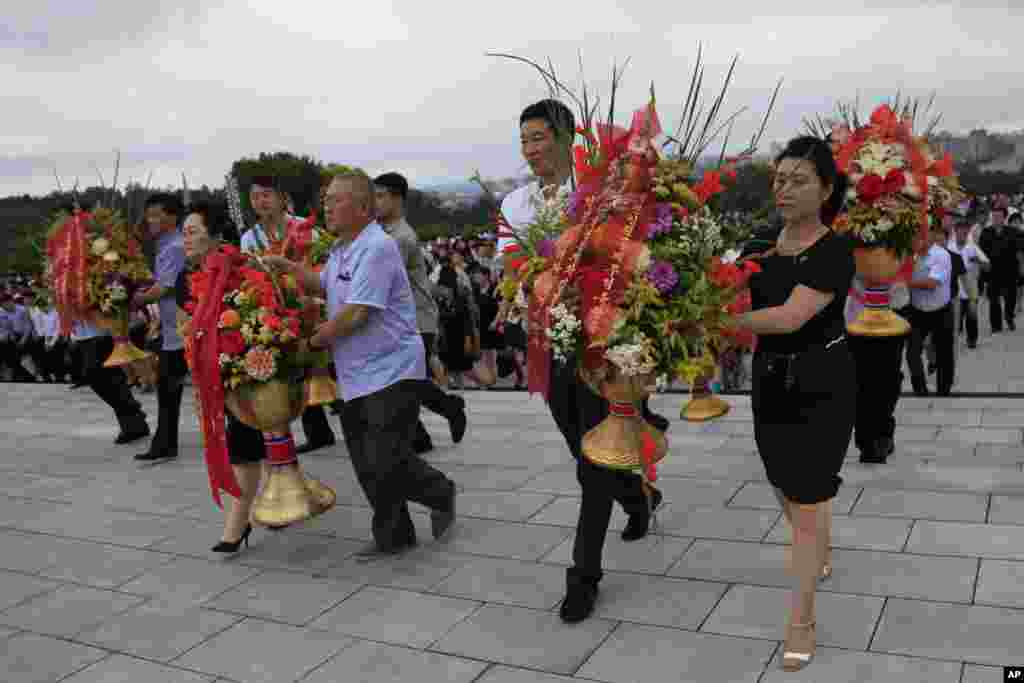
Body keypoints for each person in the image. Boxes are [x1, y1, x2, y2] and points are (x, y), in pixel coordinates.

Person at [499, 99, 667, 626]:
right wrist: (542, 286)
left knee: (591, 463)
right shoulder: (516, 204)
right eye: (523, 140)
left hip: (604, 340)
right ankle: (638, 497)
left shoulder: (601, 188)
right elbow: (511, 266)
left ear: (569, 137)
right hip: (550, 340)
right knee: (581, 447)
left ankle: (584, 575)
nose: (530, 151)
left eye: (539, 138)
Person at [268, 170, 457, 556]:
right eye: (326, 200)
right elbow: (326, 286)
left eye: (335, 200)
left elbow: (356, 313)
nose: (327, 207)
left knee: (387, 459)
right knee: (365, 463)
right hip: (355, 374)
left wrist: (311, 342)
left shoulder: (377, 247)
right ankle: (394, 535)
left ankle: (440, 491)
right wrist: (290, 270)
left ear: (362, 207)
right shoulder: (342, 248)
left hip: (391, 371)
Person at [732, 136, 855, 672]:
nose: (784, 188)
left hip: (821, 386)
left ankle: (801, 620)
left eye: (798, 179)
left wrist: (721, 324)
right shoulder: (761, 240)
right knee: (783, 483)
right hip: (770, 383)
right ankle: (818, 538)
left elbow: (788, 317)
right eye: (780, 178)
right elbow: (732, 291)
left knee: (806, 500)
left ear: (826, 189)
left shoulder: (833, 251)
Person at [179, 201, 266, 553]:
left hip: (242, 369)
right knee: (240, 444)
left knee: (244, 443)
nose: (185, 239)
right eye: (183, 232)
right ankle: (241, 519)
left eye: (193, 231)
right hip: (217, 372)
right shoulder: (197, 276)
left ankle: (237, 524)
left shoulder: (234, 270)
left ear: (215, 235)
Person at [241, 176, 337, 455]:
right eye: (255, 197)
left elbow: (323, 265)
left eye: (267, 195)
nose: (261, 201)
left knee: (329, 366)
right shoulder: (250, 237)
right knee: (296, 368)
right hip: (279, 310)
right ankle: (317, 431)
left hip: (313, 305)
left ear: (283, 198)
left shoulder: (306, 229)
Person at [373, 172, 468, 454]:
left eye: (380, 196)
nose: (374, 203)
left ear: (397, 199)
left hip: (417, 319)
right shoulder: (382, 233)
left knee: (403, 381)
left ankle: (442, 415)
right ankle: (425, 431)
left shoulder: (401, 237)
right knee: (403, 380)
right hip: (402, 319)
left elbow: (379, 278)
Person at [133, 193, 188, 462]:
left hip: (182, 333)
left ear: (172, 216)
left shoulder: (175, 246)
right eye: (149, 214)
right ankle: (165, 443)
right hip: (171, 332)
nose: (150, 220)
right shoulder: (165, 245)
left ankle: (165, 444)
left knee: (169, 389)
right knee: (167, 390)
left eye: (156, 214)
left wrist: (133, 298)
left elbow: (164, 288)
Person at [906, 222, 955, 396]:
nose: (916, 240)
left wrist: (905, 283)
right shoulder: (909, 255)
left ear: (929, 236)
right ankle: (920, 391)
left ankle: (944, 391)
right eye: (914, 236)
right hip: (918, 311)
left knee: (944, 354)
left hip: (940, 310)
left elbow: (931, 284)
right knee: (912, 353)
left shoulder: (941, 255)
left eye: (920, 235)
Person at [977, 205, 1022, 332]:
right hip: (993, 271)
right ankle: (996, 326)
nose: (996, 219)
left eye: (999, 216)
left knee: (1010, 298)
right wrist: (983, 268)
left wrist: (1021, 267)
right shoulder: (986, 232)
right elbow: (981, 252)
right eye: (994, 216)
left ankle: (1009, 316)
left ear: (1004, 217)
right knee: (993, 299)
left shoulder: (1013, 232)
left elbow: (1019, 251)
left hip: (1010, 270)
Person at [948, 217, 988, 349]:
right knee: (954, 321)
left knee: (972, 317)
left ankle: (972, 340)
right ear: (955, 231)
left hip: (971, 289)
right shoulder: (949, 247)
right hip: (954, 291)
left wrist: (978, 261)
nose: (963, 234)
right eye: (960, 231)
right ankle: (953, 340)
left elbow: (987, 266)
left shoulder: (973, 248)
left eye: (966, 232)